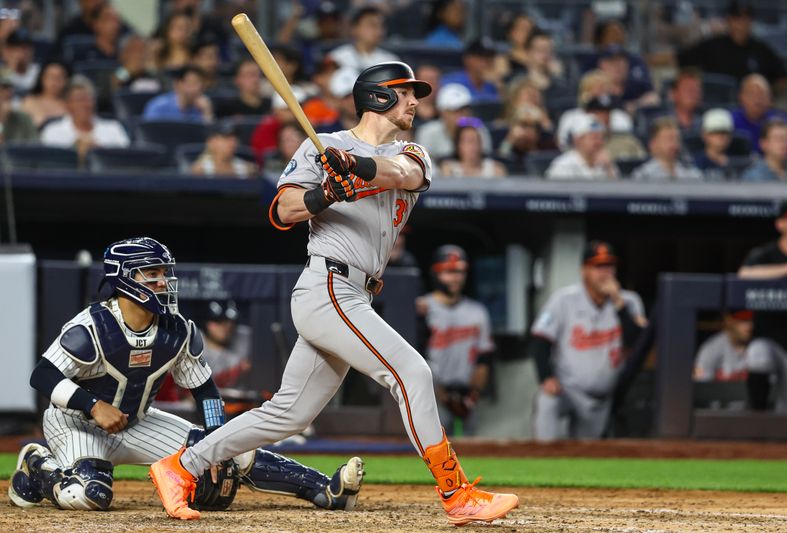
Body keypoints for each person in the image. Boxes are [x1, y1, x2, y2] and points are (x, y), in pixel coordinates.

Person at [148, 61, 519, 525]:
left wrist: (356, 170)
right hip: (328, 285)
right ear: (379, 96)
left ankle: (180, 467)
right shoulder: (322, 147)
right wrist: (325, 192)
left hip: (356, 293)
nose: (415, 102)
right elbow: (283, 210)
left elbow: (401, 174)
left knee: (289, 414)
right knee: (412, 372)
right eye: (406, 93)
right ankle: (455, 492)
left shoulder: (411, 150)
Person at [8, 237, 364, 513]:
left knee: (230, 451)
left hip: (136, 422)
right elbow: (43, 375)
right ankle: (37, 466)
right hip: (76, 423)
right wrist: (92, 405)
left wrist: (214, 442)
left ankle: (325, 489)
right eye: (153, 273)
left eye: (164, 273)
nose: (163, 281)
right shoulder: (91, 327)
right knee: (89, 495)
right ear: (125, 278)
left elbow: (205, 391)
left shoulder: (177, 329)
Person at [531, 241, 646, 441]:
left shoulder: (629, 301)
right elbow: (540, 339)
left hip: (602, 398)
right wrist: (546, 377)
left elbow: (636, 342)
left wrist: (619, 303)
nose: (605, 273)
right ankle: (541, 458)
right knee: (547, 400)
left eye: (609, 266)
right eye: (598, 266)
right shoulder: (564, 299)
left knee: (585, 456)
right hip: (566, 389)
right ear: (584, 270)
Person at [416, 245, 494, 435]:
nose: (456, 278)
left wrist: (473, 396)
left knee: (470, 453)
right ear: (436, 273)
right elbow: (417, 356)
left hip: (467, 395)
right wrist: (441, 394)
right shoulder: (423, 308)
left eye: (460, 272)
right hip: (432, 395)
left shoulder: (477, 311)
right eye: (449, 272)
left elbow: (484, 358)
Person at [738, 199, 787, 412]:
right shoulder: (764, 254)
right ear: (781, 224)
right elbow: (744, 275)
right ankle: (757, 412)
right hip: (771, 342)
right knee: (758, 356)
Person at [677, 0, 787, 93]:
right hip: (718, 106)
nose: (741, 23)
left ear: (751, 21)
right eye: (737, 18)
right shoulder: (713, 45)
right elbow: (678, 58)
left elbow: (784, 77)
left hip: (750, 112)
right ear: (729, 20)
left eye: (746, 18)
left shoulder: (761, 50)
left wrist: (766, 95)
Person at [40, 76, 129, 161]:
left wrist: (100, 153)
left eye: (89, 99)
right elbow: (49, 165)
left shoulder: (113, 128)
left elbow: (125, 162)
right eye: (79, 100)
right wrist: (73, 151)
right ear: (67, 104)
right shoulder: (53, 131)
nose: (85, 105)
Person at [557, 70, 633, 150]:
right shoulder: (571, 117)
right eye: (592, 90)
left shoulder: (620, 116)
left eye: (603, 90)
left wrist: (607, 124)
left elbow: (627, 143)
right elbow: (563, 144)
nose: (598, 95)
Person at [416, 83, 492, 161]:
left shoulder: (479, 130)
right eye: (455, 111)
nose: (463, 115)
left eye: (465, 109)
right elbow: (423, 163)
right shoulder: (428, 132)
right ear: (442, 112)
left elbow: (486, 162)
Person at [731, 74, 787, 155]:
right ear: (741, 97)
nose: (757, 99)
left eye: (762, 94)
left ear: (771, 99)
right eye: (752, 94)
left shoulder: (782, 120)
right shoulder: (730, 120)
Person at [546, 113, 618, 180]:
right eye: (594, 138)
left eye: (601, 137)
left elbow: (618, 191)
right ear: (577, 140)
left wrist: (609, 168)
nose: (599, 142)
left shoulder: (606, 162)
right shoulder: (563, 165)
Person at [328, 7, 399, 73]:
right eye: (372, 25)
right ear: (354, 28)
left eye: (381, 25)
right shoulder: (337, 57)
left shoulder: (390, 60)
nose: (379, 30)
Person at [631, 117, 703, 181]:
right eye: (668, 139)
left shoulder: (691, 173)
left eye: (676, 139)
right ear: (653, 144)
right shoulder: (643, 175)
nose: (674, 144)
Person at [202, 300, 252, 389]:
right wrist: (237, 370)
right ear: (207, 323)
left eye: (229, 322)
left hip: (240, 399)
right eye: (218, 321)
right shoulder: (194, 346)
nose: (225, 326)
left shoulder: (244, 337)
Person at [694, 310, 753, 382]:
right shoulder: (711, 348)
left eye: (752, 320)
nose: (750, 326)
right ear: (729, 321)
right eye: (744, 320)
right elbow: (702, 384)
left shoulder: (760, 347)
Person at [142, 65, 213, 123]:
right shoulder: (159, 106)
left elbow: (208, 137)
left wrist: (207, 113)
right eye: (191, 83)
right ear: (177, 84)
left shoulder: (201, 108)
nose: (196, 89)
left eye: (199, 85)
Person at [439, 119, 507, 178]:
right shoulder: (449, 169)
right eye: (469, 141)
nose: (473, 146)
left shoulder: (496, 169)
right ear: (459, 145)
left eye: (477, 141)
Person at [441, 38, 500, 104]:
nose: (486, 62)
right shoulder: (452, 82)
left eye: (489, 57)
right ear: (467, 59)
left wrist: (498, 84)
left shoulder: (492, 85)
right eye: (481, 57)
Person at [190, 121, 256, 179]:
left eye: (234, 138)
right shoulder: (200, 171)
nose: (232, 142)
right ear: (211, 142)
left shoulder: (248, 170)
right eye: (226, 137)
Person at [20, 61, 69, 128]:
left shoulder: (72, 103)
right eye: (51, 76)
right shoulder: (30, 102)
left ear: (66, 80)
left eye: (59, 77)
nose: (55, 81)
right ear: (42, 78)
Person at [694, 108, 736, 180]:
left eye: (724, 132)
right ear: (704, 135)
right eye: (715, 132)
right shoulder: (695, 163)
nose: (720, 136)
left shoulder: (738, 161)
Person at [494, 13, 535, 82]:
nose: (526, 33)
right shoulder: (502, 59)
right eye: (521, 28)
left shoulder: (541, 56)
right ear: (510, 32)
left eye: (529, 29)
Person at [0, 73, 36, 144]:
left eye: (8, 89)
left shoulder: (24, 118)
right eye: (2, 89)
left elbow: (34, 147)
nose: (6, 93)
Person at [668, 68, 703, 134]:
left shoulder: (704, 124)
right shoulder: (662, 122)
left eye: (695, 89)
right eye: (687, 89)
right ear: (674, 94)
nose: (692, 94)